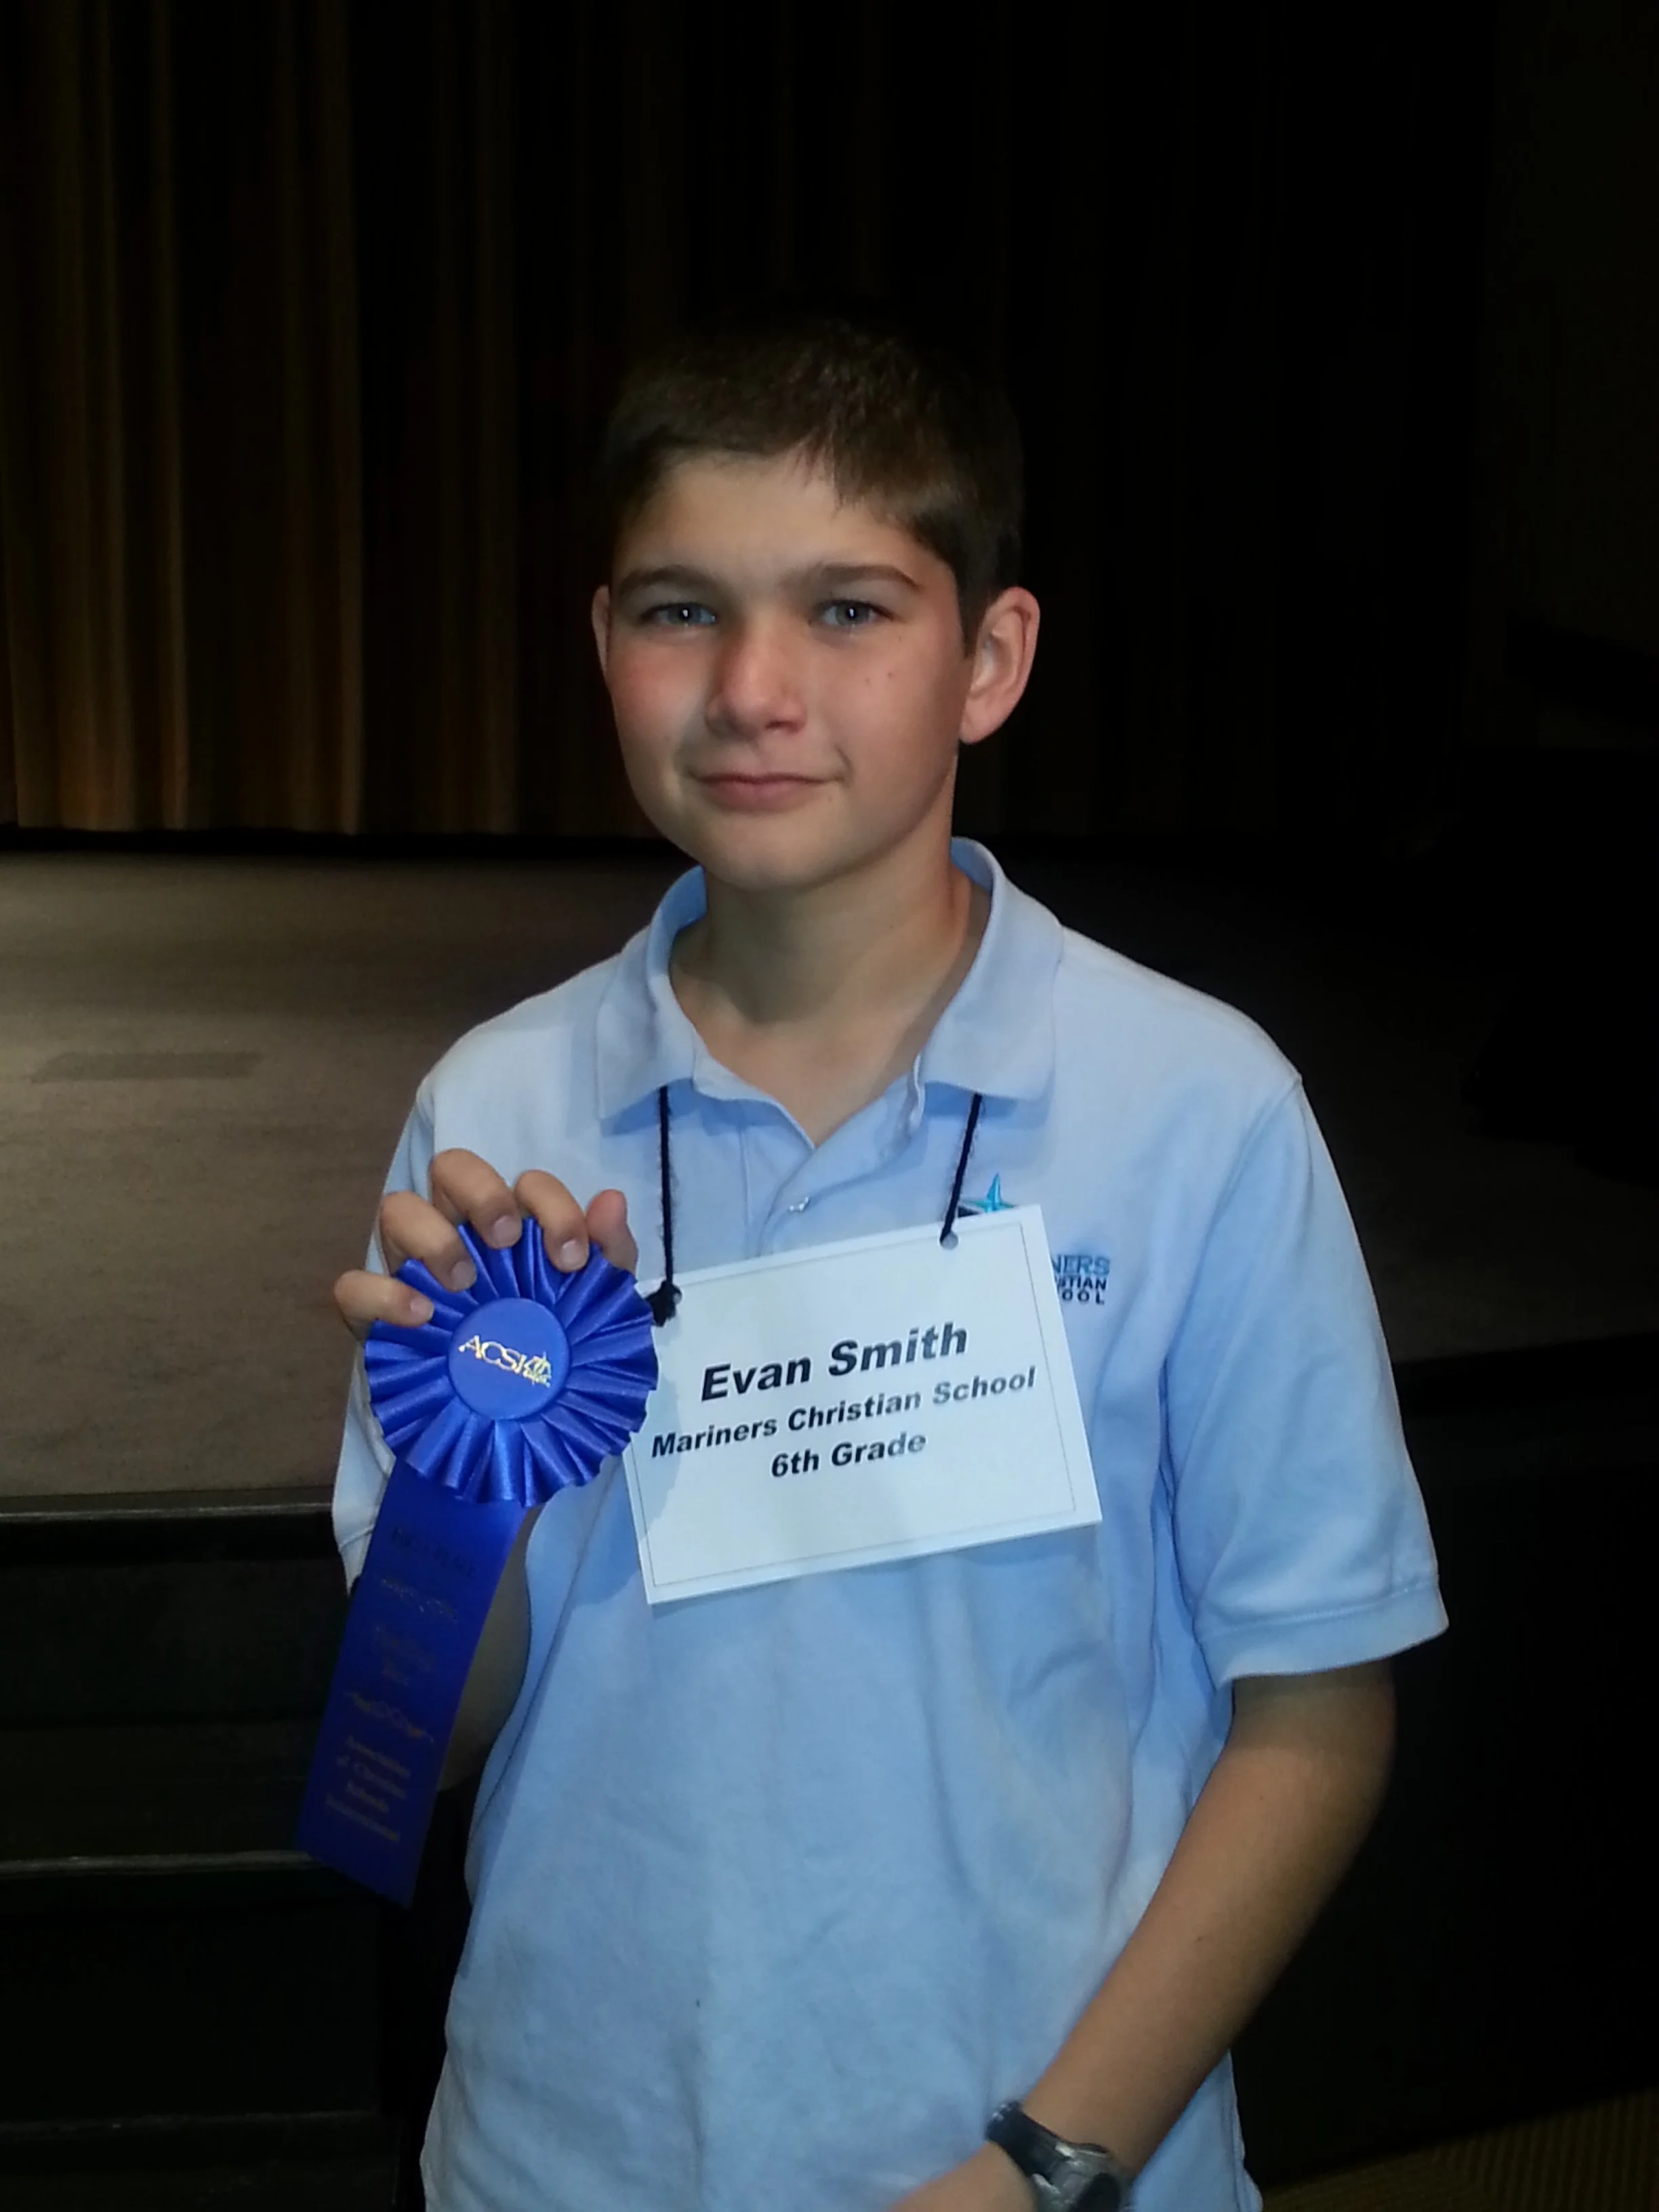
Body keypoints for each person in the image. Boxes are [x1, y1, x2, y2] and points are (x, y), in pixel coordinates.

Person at [330, 312, 1446, 2212]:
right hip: (566, 2161)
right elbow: (403, 1755)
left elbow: (1319, 1715)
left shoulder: (1194, 1112)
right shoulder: (497, 1109)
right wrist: (466, 1484)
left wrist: (1046, 2164)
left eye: (849, 611)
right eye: (682, 609)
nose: (755, 687)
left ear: (989, 659)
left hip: (1045, 2175)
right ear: (606, 644)